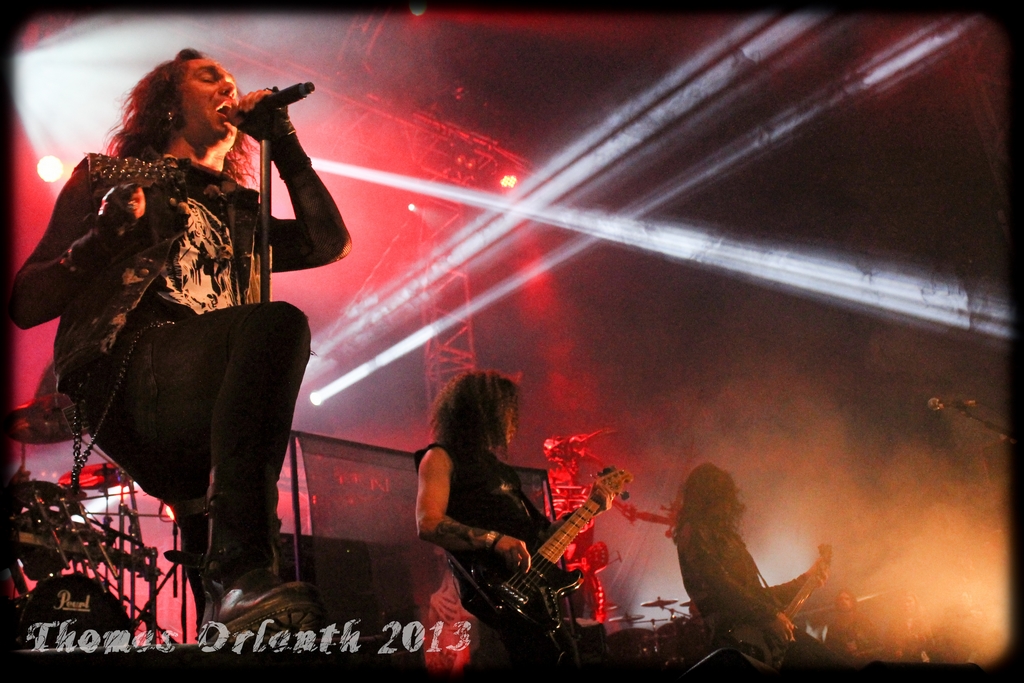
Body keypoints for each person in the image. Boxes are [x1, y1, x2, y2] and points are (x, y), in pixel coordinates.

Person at [9, 49, 350, 636]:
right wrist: (100, 240)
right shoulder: (108, 177)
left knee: (236, 611)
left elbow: (328, 243)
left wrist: (284, 141)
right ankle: (241, 568)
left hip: (199, 391)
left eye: (232, 80)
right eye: (209, 77)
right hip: (124, 369)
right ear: (169, 105)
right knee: (276, 325)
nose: (228, 85)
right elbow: (25, 303)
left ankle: (232, 601)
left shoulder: (241, 211)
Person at [414, 371, 607, 667]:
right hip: (491, 598)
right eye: (506, 409)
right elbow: (427, 523)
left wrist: (591, 506)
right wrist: (495, 540)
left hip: (533, 599)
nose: (511, 419)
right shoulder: (440, 457)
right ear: (482, 411)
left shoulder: (501, 471)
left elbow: (544, 534)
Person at [673, 463, 848, 671]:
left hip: (759, 637)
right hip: (739, 643)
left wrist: (804, 580)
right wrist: (768, 615)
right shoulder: (693, 531)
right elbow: (721, 586)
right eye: (722, 496)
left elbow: (757, 595)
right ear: (709, 496)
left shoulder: (725, 537)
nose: (728, 505)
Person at [824, 589, 880, 663]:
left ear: (852, 602)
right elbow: (829, 651)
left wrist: (860, 648)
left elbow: (877, 645)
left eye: (847, 599)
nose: (843, 601)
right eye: (840, 599)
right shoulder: (833, 628)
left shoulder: (863, 622)